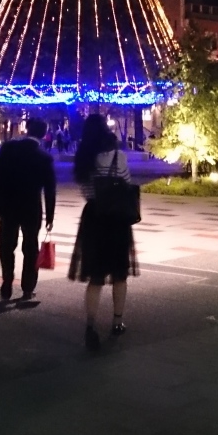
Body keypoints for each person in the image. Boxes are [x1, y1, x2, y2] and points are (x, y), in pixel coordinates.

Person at [69, 114, 138, 349]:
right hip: (117, 219)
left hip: (94, 218)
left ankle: (90, 325)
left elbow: (85, 191)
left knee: (95, 276)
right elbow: (126, 183)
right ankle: (117, 322)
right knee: (120, 273)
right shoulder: (118, 157)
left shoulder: (83, 158)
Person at [0, 117, 56, 302]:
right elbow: (50, 189)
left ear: (27, 130)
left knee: (6, 245)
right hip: (31, 207)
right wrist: (50, 216)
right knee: (30, 247)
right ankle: (28, 288)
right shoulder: (44, 157)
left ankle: (7, 279)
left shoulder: (8, 149)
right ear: (44, 134)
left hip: (8, 205)